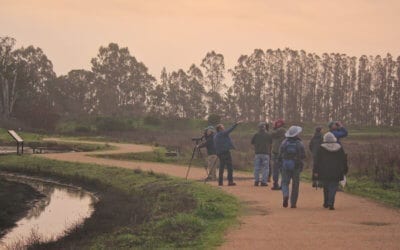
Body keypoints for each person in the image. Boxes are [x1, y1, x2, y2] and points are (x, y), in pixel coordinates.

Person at [313, 132, 348, 210]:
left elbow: (317, 161)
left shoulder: (321, 148)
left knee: (326, 187)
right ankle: (331, 202)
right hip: (337, 171)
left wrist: (315, 171)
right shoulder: (339, 147)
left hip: (324, 171)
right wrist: (345, 169)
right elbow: (343, 160)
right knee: (333, 187)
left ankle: (326, 203)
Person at [279, 126, 306, 208]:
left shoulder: (284, 142)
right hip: (296, 166)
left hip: (286, 165)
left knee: (284, 182)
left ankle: (285, 195)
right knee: (295, 185)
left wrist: (280, 163)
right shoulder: (299, 143)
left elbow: (280, 154)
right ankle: (293, 203)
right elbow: (303, 155)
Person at [214, 121, 242, 186]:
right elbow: (230, 130)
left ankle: (220, 182)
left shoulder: (215, 136)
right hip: (225, 152)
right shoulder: (222, 134)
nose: (224, 128)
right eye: (223, 127)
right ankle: (230, 181)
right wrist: (236, 124)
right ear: (220, 129)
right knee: (229, 167)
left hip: (219, 153)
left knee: (221, 167)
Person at [251, 122, 272, 186]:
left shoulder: (256, 135)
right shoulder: (268, 135)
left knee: (256, 167)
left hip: (257, 153)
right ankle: (263, 182)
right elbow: (271, 142)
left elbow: (252, 142)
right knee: (265, 168)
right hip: (266, 153)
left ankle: (256, 181)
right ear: (264, 127)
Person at [270, 119, 286, 190]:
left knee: (277, 169)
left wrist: (273, 127)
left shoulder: (281, 130)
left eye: (276, 123)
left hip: (278, 153)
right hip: (278, 152)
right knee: (278, 169)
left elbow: (271, 134)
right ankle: (277, 184)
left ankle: (279, 184)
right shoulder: (281, 130)